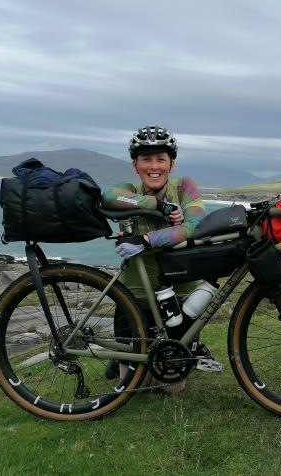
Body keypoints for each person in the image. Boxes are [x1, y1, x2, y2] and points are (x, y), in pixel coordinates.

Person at [101, 125, 221, 390]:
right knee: (134, 388)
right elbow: (108, 195)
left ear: (171, 164)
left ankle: (181, 349)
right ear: (135, 165)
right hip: (135, 299)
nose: (153, 166)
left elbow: (196, 226)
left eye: (161, 159)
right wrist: (157, 206)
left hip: (178, 298)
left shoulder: (185, 187)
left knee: (171, 386)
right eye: (146, 159)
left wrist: (146, 241)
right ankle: (126, 360)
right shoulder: (128, 189)